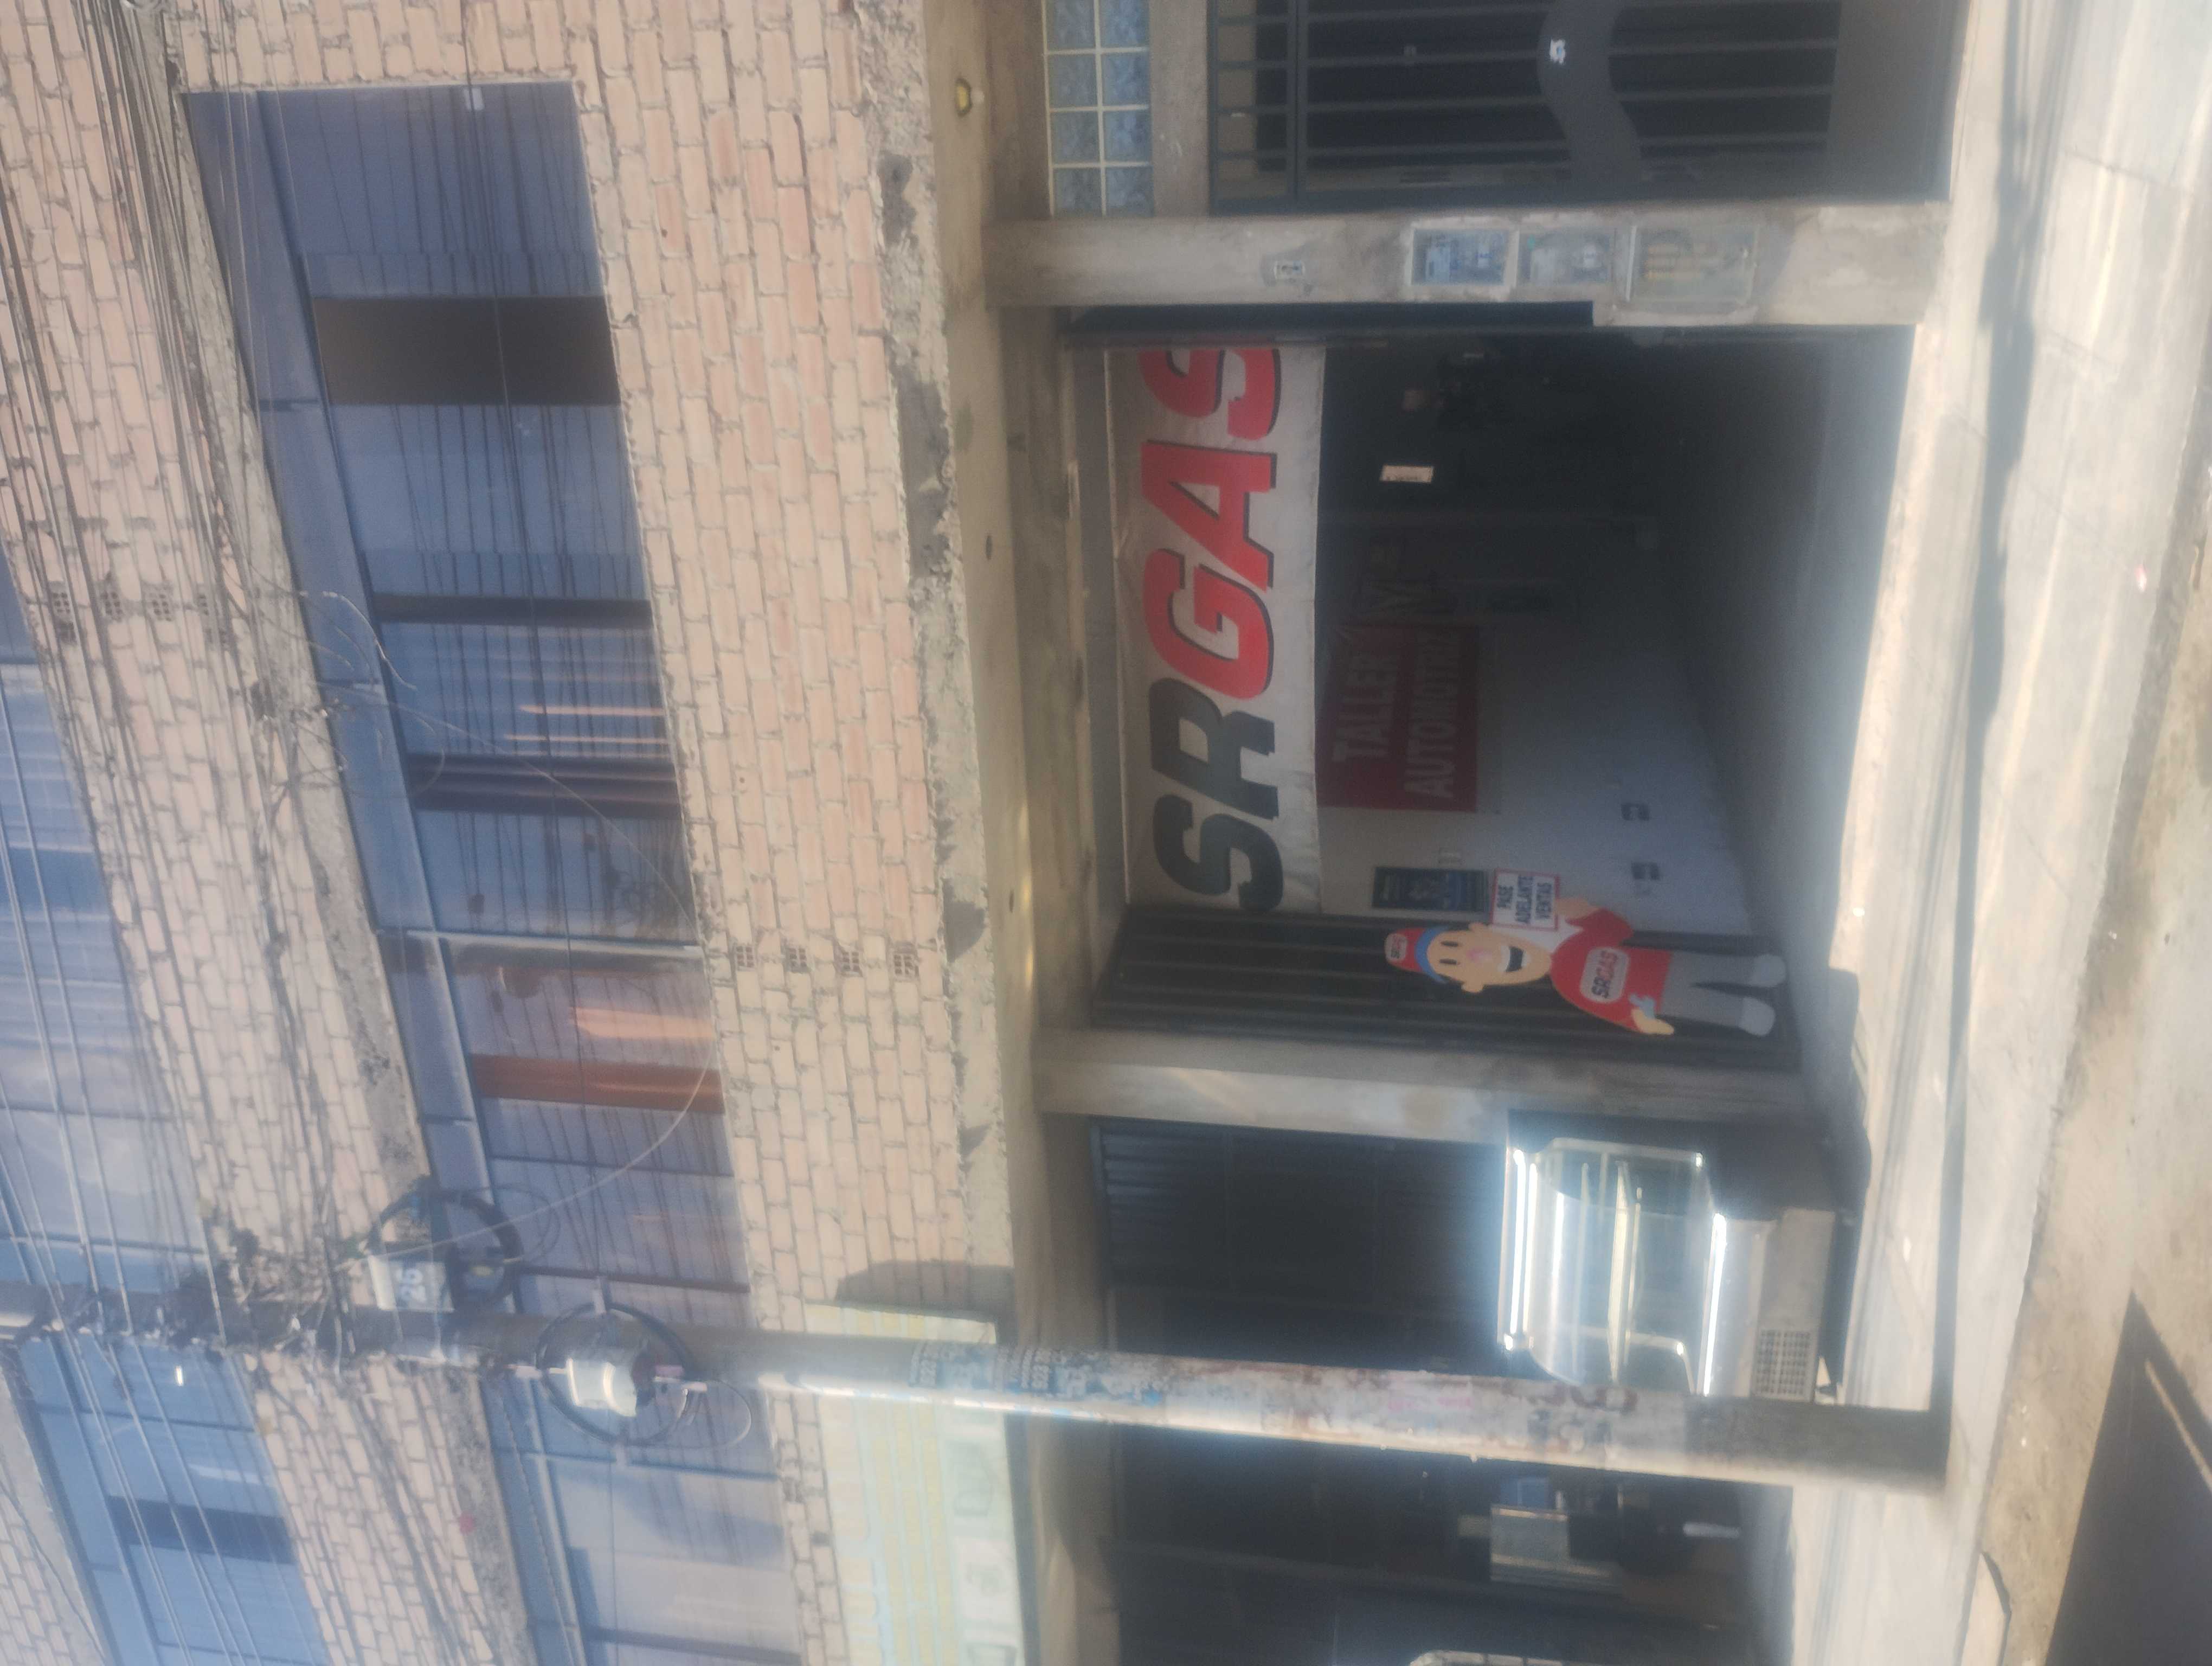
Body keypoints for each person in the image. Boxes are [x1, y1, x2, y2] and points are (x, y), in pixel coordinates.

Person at [1384, 897, 1784, 1036]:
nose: (1477, 958)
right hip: (1654, 1000)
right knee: (1703, 1006)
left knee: (1704, 967)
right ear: (1472, 985)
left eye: (1455, 946)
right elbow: (1610, 1010)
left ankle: (1753, 972)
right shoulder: (1566, 987)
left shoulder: (1569, 936)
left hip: (1663, 962)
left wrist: (1585, 911)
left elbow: (1619, 930)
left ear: (1478, 930)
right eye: (1455, 964)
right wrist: (1640, 1021)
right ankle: (1743, 1014)